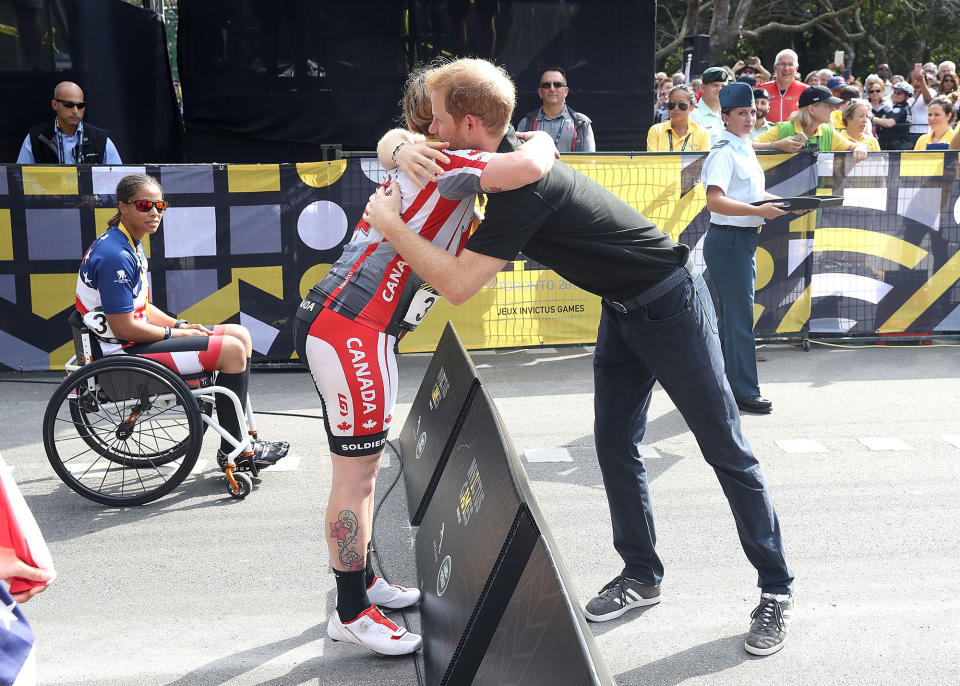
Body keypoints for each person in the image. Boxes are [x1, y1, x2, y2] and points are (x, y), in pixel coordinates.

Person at [365, 57, 795, 657]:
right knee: (614, 446)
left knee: (725, 449)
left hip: (671, 304)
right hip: (623, 311)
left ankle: (776, 588)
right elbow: (404, 139)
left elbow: (458, 285)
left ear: (467, 125)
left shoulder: (524, 185)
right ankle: (641, 575)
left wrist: (391, 224)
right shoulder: (510, 155)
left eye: (437, 121)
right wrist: (394, 146)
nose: (429, 131)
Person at [294, 64, 560, 657]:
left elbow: (400, 142)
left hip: (353, 326)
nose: (427, 126)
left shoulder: (420, 152)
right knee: (356, 476)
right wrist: (541, 134)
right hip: (353, 329)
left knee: (358, 474)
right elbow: (531, 166)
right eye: (429, 117)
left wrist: (400, 144)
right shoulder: (453, 160)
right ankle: (350, 610)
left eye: (434, 114)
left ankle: (363, 583)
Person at [76, 174, 288, 474]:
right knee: (231, 352)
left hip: (133, 341)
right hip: (123, 353)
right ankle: (234, 450)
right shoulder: (115, 255)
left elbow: (140, 307)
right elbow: (124, 327)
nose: (154, 213)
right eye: (144, 205)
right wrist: (174, 332)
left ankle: (239, 441)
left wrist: (181, 324)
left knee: (241, 335)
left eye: (160, 206)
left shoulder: (127, 242)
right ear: (123, 207)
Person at [701, 82, 800, 416]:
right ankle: (743, 391)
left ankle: (727, 387)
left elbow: (751, 194)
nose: (749, 117)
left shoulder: (743, 146)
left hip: (740, 240)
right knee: (739, 319)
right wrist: (760, 211)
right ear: (725, 117)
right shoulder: (724, 152)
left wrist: (786, 203)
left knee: (734, 319)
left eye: (752, 112)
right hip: (729, 240)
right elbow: (715, 200)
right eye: (741, 113)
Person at [752, 85, 869, 163]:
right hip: (784, 197)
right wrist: (775, 145)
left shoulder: (827, 130)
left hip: (818, 197)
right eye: (828, 105)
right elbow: (746, 146)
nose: (833, 109)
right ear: (811, 110)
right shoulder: (784, 128)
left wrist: (860, 147)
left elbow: (852, 146)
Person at [17, 82, 122, 164]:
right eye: (69, 104)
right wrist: (44, 191)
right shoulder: (36, 138)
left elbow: (117, 179)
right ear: (55, 105)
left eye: (80, 105)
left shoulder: (101, 140)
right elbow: (20, 179)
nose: (75, 111)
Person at [516, 67, 595, 152]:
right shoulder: (525, 123)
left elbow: (590, 161)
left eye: (557, 84)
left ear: (566, 91)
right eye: (546, 85)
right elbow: (518, 157)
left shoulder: (582, 123)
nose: (552, 89)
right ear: (540, 92)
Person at [646, 85, 711, 152]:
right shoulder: (656, 131)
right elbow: (652, 161)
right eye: (672, 105)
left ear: (692, 107)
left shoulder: (702, 133)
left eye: (682, 105)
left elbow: (703, 162)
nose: (676, 108)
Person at [759, 49, 808, 123]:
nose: (786, 68)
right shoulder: (762, 89)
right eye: (782, 64)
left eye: (790, 64)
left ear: (796, 68)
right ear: (775, 68)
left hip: (796, 134)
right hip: (768, 134)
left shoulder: (806, 91)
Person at [691, 66, 729, 145]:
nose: (720, 89)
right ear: (703, 87)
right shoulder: (692, 115)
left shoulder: (730, 114)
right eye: (715, 85)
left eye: (723, 86)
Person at [875, 81, 914, 149]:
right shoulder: (905, 107)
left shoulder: (899, 109)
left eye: (899, 93)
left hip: (894, 146)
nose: (895, 95)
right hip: (897, 145)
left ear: (907, 96)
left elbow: (889, 123)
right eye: (894, 92)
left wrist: (873, 119)